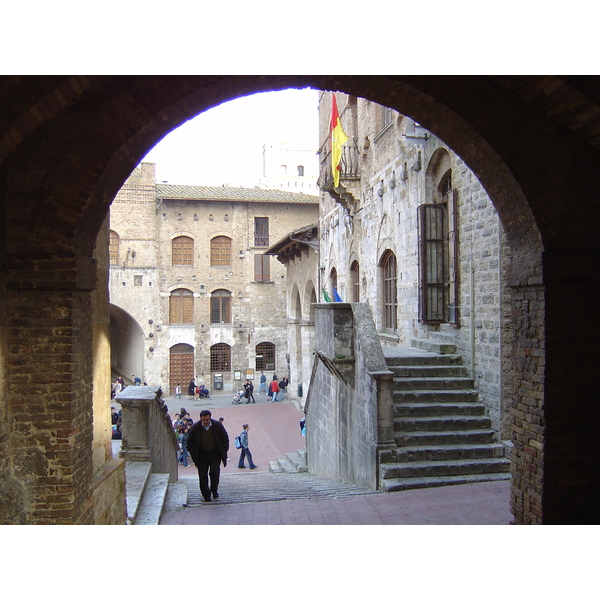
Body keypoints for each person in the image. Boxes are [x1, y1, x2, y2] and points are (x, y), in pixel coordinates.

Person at [187, 409, 229, 502]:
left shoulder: (217, 425)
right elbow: (190, 441)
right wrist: (193, 453)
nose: (205, 422)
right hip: (201, 455)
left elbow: (225, 438)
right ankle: (206, 494)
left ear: (210, 418)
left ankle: (214, 490)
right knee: (202, 475)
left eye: (207, 419)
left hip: (215, 454)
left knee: (214, 472)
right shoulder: (196, 427)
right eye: (203, 420)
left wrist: (224, 451)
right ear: (201, 419)